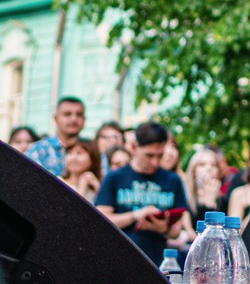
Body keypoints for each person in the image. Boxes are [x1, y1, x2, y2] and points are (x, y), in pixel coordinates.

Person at [95, 119, 192, 262]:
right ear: (134, 147)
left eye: (160, 155)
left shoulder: (173, 180)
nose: (155, 162)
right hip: (118, 259)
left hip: (157, 262)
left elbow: (176, 231)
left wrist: (163, 229)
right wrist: (136, 215)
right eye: (149, 155)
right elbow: (100, 219)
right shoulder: (115, 177)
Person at [25, 97, 87, 177]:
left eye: (79, 115)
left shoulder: (93, 151)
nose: (74, 119)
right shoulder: (39, 150)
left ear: (84, 119)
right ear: (56, 118)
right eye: (67, 114)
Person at [183, 145, 225, 224]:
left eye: (213, 165)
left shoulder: (222, 200)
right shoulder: (184, 195)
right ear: (193, 170)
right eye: (202, 164)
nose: (209, 168)